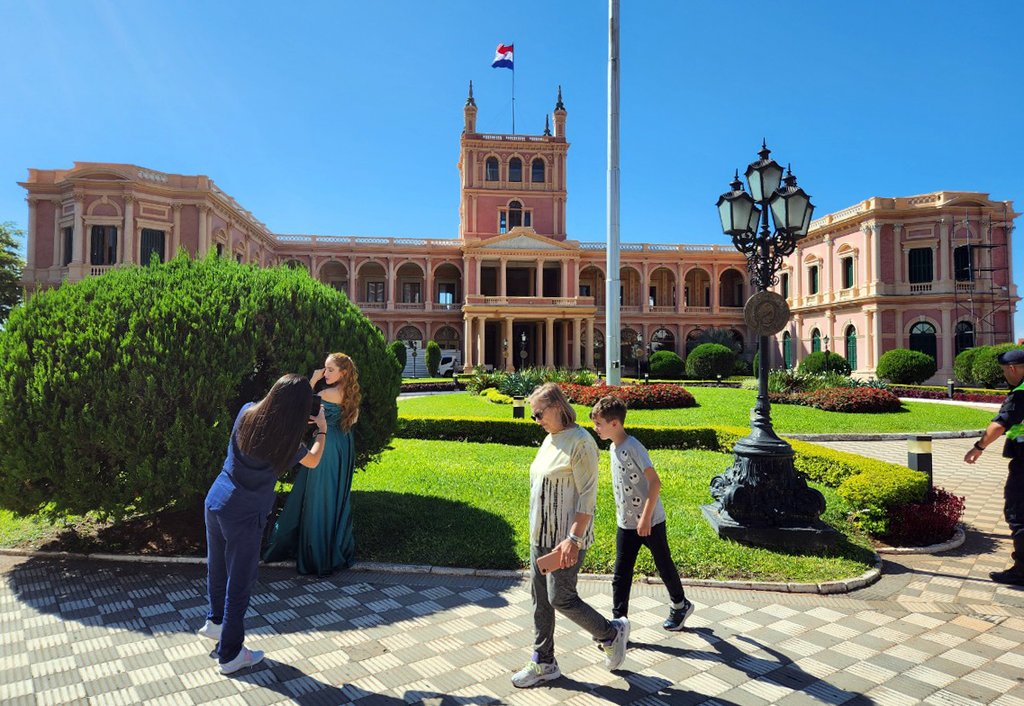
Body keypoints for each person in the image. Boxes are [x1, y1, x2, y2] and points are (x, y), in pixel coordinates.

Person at [199, 374, 328, 674]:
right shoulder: (287, 442)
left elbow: (271, 416)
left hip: (216, 500)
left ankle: (216, 623)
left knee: (217, 567)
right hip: (244, 514)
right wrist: (321, 431)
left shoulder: (246, 411)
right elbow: (313, 461)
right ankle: (230, 655)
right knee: (239, 583)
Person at [512, 383, 629, 689]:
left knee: (560, 597)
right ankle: (544, 661)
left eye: (539, 413)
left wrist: (574, 539)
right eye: (532, 415)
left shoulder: (581, 442)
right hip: (540, 537)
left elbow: (588, 497)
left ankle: (610, 633)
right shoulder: (550, 439)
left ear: (557, 407)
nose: (536, 420)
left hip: (566, 539)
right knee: (540, 601)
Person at [590, 395, 694, 629]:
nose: (595, 428)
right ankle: (619, 623)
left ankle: (680, 605)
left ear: (614, 423)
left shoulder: (634, 447)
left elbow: (655, 482)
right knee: (621, 574)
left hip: (650, 521)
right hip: (626, 523)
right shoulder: (612, 448)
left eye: (599, 424)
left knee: (663, 564)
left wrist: (646, 518)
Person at [262, 353, 360, 575]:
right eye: (324, 369)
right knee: (333, 496)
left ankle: (316, 556)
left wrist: (313, 381)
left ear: (343, 372)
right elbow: (352, 420)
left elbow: (301, 407)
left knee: (318, 498)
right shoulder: (352, 393)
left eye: (331, 370)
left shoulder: (325, 393)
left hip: (326, 445)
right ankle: (331, 547)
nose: (326, 373)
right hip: (344, 444)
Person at [964, 347, 1024, 586]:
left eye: (1004, 371)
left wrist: (978, 447)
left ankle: (1022, 570)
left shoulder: (1020, 393)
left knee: (1018, 515)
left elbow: (1000, 425)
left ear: (1012, 368)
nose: (1004, 376)